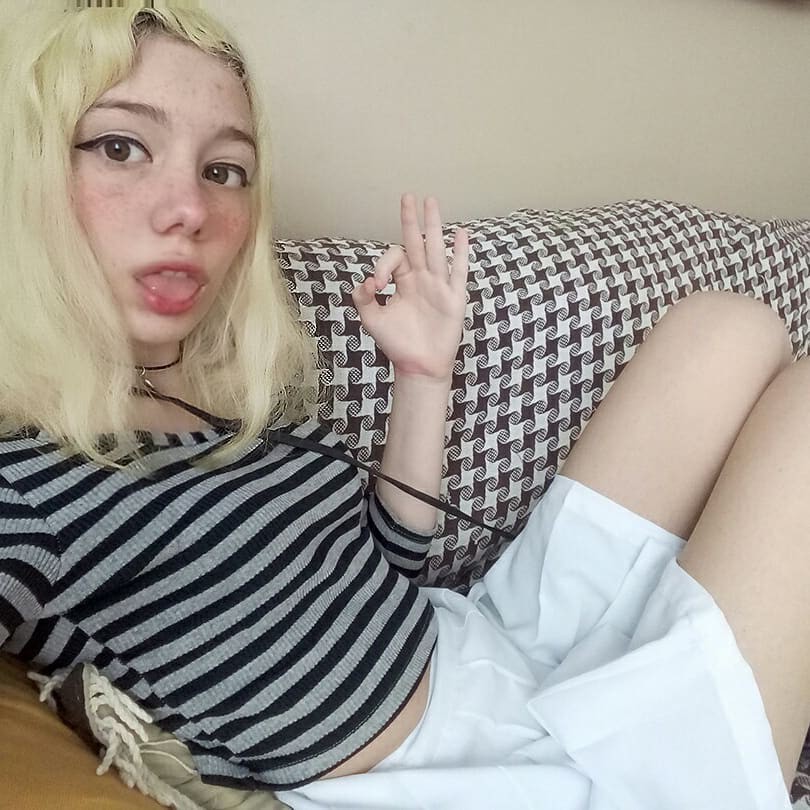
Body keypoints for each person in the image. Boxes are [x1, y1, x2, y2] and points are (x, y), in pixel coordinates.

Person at [0, 4, 806, 809]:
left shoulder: (227, 395)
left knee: (731, 328)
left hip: (484, 639)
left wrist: (424, 372)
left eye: (224, 170)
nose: (190, 207)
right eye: (120, 147)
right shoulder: (25, 485)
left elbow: (388, 565)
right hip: (478, 782)